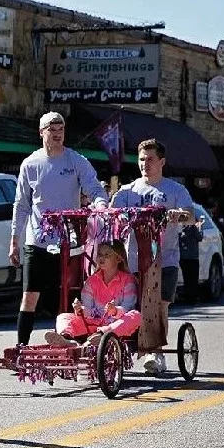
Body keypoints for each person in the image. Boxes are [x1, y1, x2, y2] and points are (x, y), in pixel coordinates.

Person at [10, 111, 108, 348]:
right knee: (29, 295)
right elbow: (22, 204)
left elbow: (94, 188)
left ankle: (67, 342)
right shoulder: (30, 164)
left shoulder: (75, 161)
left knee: (66, 297)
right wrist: (14, 240)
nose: (56, 135)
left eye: (61, 130)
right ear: (41, 133)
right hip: (38, 241)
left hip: (69, 242)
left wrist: (100, 205)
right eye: (51, 130)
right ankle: (21, 348)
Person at [111, 138, 194, 375]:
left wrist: (177, 215)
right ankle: (125, 350)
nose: (145, 164)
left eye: (150, 159)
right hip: (134, 260)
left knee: (159, 306)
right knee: (131, 308)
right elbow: (111, 215)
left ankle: (156, 352)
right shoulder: (128, 191)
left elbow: (189, 215)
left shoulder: (175, 190)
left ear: (162, 162)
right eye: (141, 159)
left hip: (165, 260)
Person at [46, 241, 141, 346]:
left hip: (115, 326)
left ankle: (101, 336)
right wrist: (80, 309)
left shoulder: (128, 280)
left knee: (136, 316)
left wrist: (115, 311)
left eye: (107, 255)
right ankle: (66, 339)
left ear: (118, 259)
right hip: (91, 324)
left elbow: (128, 307)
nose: (101, 258)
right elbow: (87, 309)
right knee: (63, 316)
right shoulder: (91, 281)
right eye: (100, 254)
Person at [179, 215, 204, 304]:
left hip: (183, 256)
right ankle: (192, 298)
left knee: (187, 278)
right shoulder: (193, 227)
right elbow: (200, 237)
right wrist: (200, 227)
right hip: (192, 257)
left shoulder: (181, 227)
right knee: (193, 278)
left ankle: (188, 297)